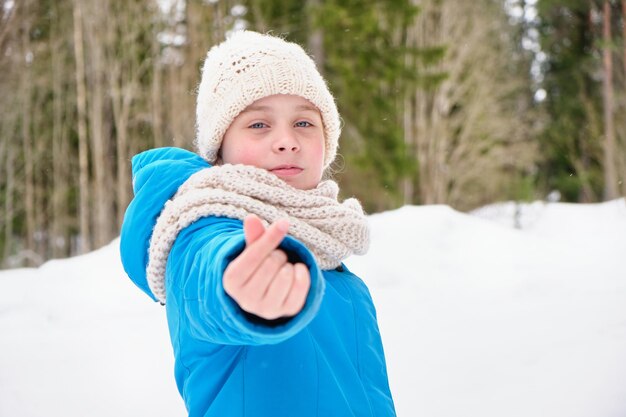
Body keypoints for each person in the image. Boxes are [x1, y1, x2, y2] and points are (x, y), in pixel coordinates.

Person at [120, 30, 396, 417]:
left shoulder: (333, 260)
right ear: (220, 150)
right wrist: (242, 291)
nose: (286, 141)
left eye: (303, 123)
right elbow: (207, 274)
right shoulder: (200, 227)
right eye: (259, 125)